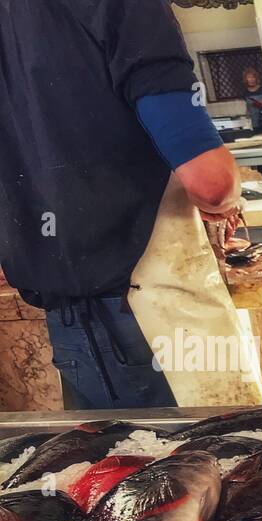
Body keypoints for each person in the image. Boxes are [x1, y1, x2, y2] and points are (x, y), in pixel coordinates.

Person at [0, 0, 244, 409]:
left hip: (69, 330)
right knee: (213, 464)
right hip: (155, 319)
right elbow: (211, 183)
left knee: (119, 465)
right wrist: (228, 199)